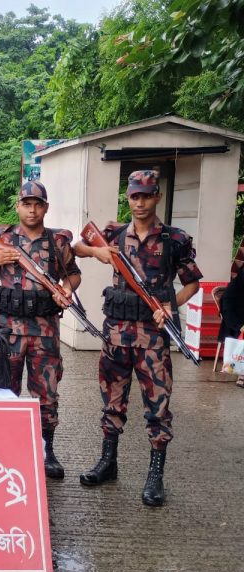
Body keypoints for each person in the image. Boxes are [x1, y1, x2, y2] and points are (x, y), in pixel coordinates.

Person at [74, 169, 202, 506]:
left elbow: (192, 283)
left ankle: (155, 476)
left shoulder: (175, 239)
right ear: (128, 198)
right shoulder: (114, 234)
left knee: (158, 410)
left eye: (147, 195)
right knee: (112, 403)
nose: (140, 202)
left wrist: (169, 305)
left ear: (157, 196)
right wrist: (97, 253)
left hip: (153, 341)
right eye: (134, 196)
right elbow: (76, 246)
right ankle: (108, 463)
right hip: (116, 336)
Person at [0, 181, 81, 479]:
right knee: (4, 390)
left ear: (46, 208)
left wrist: (66, 289)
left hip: (45, 331)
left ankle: (46, 449)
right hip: (7, 329)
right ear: (18, 206)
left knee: (46, 394)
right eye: (27, 203)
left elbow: (73, 274)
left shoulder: (57, 242)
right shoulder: (4, 237)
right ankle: (3, 449)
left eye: (38, 204)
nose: (32, 209)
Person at [219, 272, 244, 387]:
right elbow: (227, 309)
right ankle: (242, 375)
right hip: (235, 325)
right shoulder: (235, 288)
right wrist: (240, 326)